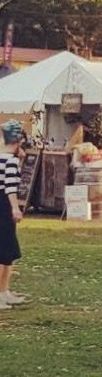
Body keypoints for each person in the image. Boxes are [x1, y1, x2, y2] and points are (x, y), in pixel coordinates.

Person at [0, 120, 27, 308]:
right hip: (4, 205)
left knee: (8, 252)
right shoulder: (11, 161)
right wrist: (15, 208)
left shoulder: (3, 158)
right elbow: (10, 187)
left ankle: (4, 291)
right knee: (4, 251)